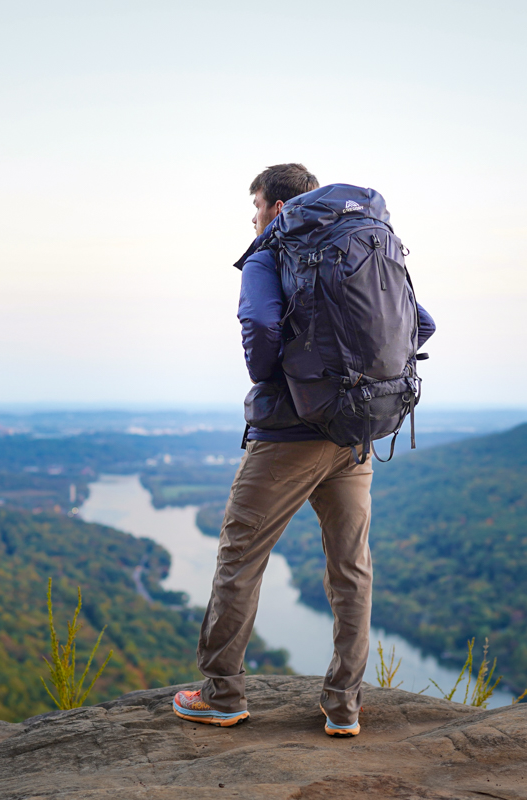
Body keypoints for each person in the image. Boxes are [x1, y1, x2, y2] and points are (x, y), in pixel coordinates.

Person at [173, 163, 435, 737]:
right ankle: (344, 705)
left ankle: (221, 695)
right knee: (351, 569)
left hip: (288, 438)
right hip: (355, 435)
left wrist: (279, 381)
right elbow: (424, 324)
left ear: (274, 206)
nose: (254, 218)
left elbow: (261, 328)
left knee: (240, 558)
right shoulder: (364, 247)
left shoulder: (271, 254)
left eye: (255, 207)